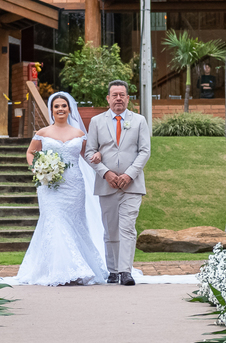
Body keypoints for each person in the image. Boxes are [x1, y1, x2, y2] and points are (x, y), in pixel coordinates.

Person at [19, 92, 109, 286]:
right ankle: (58, 270)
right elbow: (31, 152)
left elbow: (88, 155)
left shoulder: (79, 134)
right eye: (56, 106)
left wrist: (98, 156)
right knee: (54, 220)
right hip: (50, 185)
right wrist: (37, 167)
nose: (60, 109)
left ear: (69, 109)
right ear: (52, 110)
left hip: (74, 185)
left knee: (74, 223)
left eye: (63, 106)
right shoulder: (43, 133)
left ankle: (78, 268)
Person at [84, 80, 151, 285]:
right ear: (108, 98)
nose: (119, 99)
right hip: (107, 185)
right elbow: (89, 152)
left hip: (132, 185)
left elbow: (145, 151)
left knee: (128, 228)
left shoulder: (139, 121)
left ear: (128, 98)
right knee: (111, 229)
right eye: (115, 95)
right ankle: (113, 270)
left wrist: (129, 175)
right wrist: (106, 173)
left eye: (122, 95)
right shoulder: (96, 121)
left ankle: (125, 271)